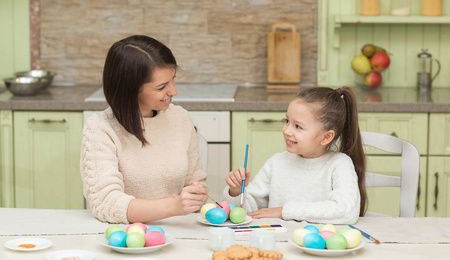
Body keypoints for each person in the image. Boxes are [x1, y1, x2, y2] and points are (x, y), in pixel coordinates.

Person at [80, 35, 208, 224]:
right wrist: (173, 207)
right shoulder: (100, 129)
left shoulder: (180, 118)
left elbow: (195, 183)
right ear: (130, 90)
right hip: (123, 239)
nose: (173, 91)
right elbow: (106, 203)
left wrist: (196, 195)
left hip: (178, 234)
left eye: (173, 79)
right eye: (162, 86)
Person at [223, 86, 367, 224]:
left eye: (298, 126)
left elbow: (346, 212)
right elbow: (250, 211)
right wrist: (236, 192)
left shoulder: (340, 164)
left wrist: (284, 211)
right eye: (287, 121)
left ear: (326, 137)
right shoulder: (276, 162)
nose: (287, 131)